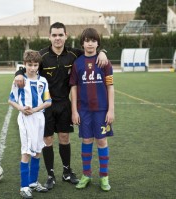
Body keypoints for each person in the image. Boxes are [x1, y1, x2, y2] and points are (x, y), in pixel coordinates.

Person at [15, 22, 108, 190]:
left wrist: (103, 52)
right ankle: (51, 175)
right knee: (47, 139)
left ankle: (67, 171)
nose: (57, 38)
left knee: (64, 137)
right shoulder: (41, 55)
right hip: (46, 105)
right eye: (54, 35)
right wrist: (17, 75)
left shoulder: (74, 53)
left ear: (66, 36)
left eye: (60, 35)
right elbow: (28, 65)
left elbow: (91, 51)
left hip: (65, 103)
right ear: (49, 37)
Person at [69, 28, 114, 191]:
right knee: (86, 140)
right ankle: (86, 174)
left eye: (93, 41)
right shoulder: (77, 63)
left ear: (98, 43)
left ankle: (104, 176)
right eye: (87, 40)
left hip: (102, 109)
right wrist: (74, 111)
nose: (90, 43)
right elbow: (73, 87)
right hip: (84, 110)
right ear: (82, 43)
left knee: (102, 140)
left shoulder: (104, 62)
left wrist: (111, 110)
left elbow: (110, 87)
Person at [8, 50, 52, 198]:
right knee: (26, 151)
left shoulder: (43, 81)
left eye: (35, 65)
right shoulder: (19, 80)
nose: (32, 68)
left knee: (38, 150)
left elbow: (48, 102)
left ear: (38, 65)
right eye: (29, 65)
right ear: (24, 64)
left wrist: (35, 110)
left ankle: (33, 182)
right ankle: (24, 186)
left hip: (39, 118)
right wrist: (21, 108)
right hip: (26, 119)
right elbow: (11, 99)